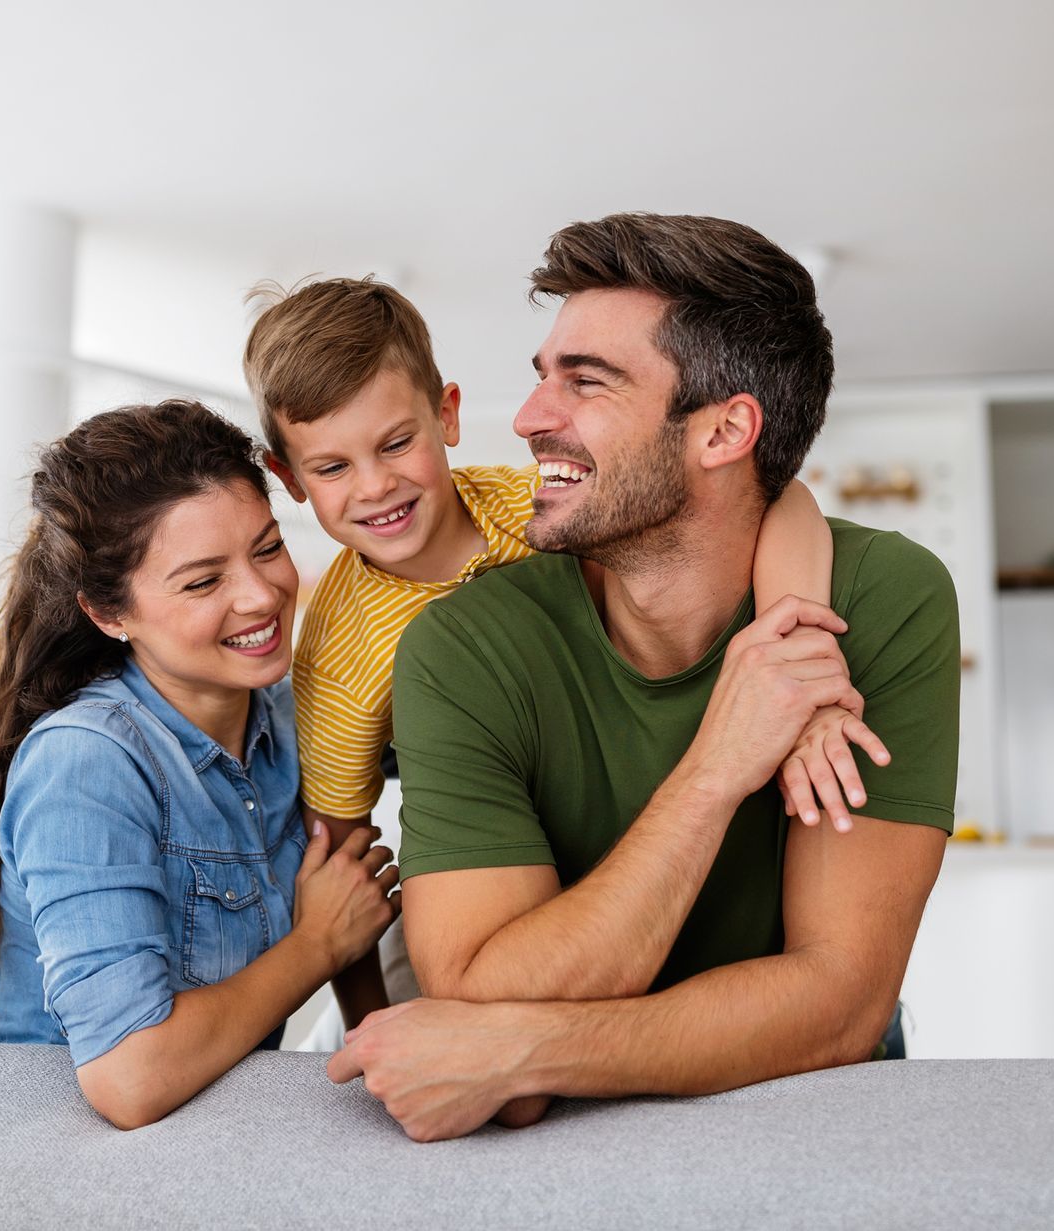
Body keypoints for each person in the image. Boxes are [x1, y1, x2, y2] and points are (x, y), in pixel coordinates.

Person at [327, 214, 960, 1141]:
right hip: (555, 1145)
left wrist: (524, 1050)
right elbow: (475, 983)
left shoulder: (881, 599)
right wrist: (715, 771)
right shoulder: (463, 646)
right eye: (544, 374)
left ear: (725, 430)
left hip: (808, 1115)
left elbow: (840, 1004)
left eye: (585, 381)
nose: (529, 416)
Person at [242, 276, 875, 1032]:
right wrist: (369, 1022)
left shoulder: (531, 505)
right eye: (333, 467)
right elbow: (341, 856)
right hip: (480, 879)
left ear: (446, 414)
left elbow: (781, 496)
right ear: (289, 479)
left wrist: (796, 653)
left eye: (396, 442)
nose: (376, 486)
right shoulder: (342, 660)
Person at [0, 400, 399, 1131]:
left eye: (266, 548)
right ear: (110, 614)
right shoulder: (88, 761)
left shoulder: (289, 712)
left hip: (209, 1132)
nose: (261, 594)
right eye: (203, 582)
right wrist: (318, 943)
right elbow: (129, 1077)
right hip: (55, 1156)